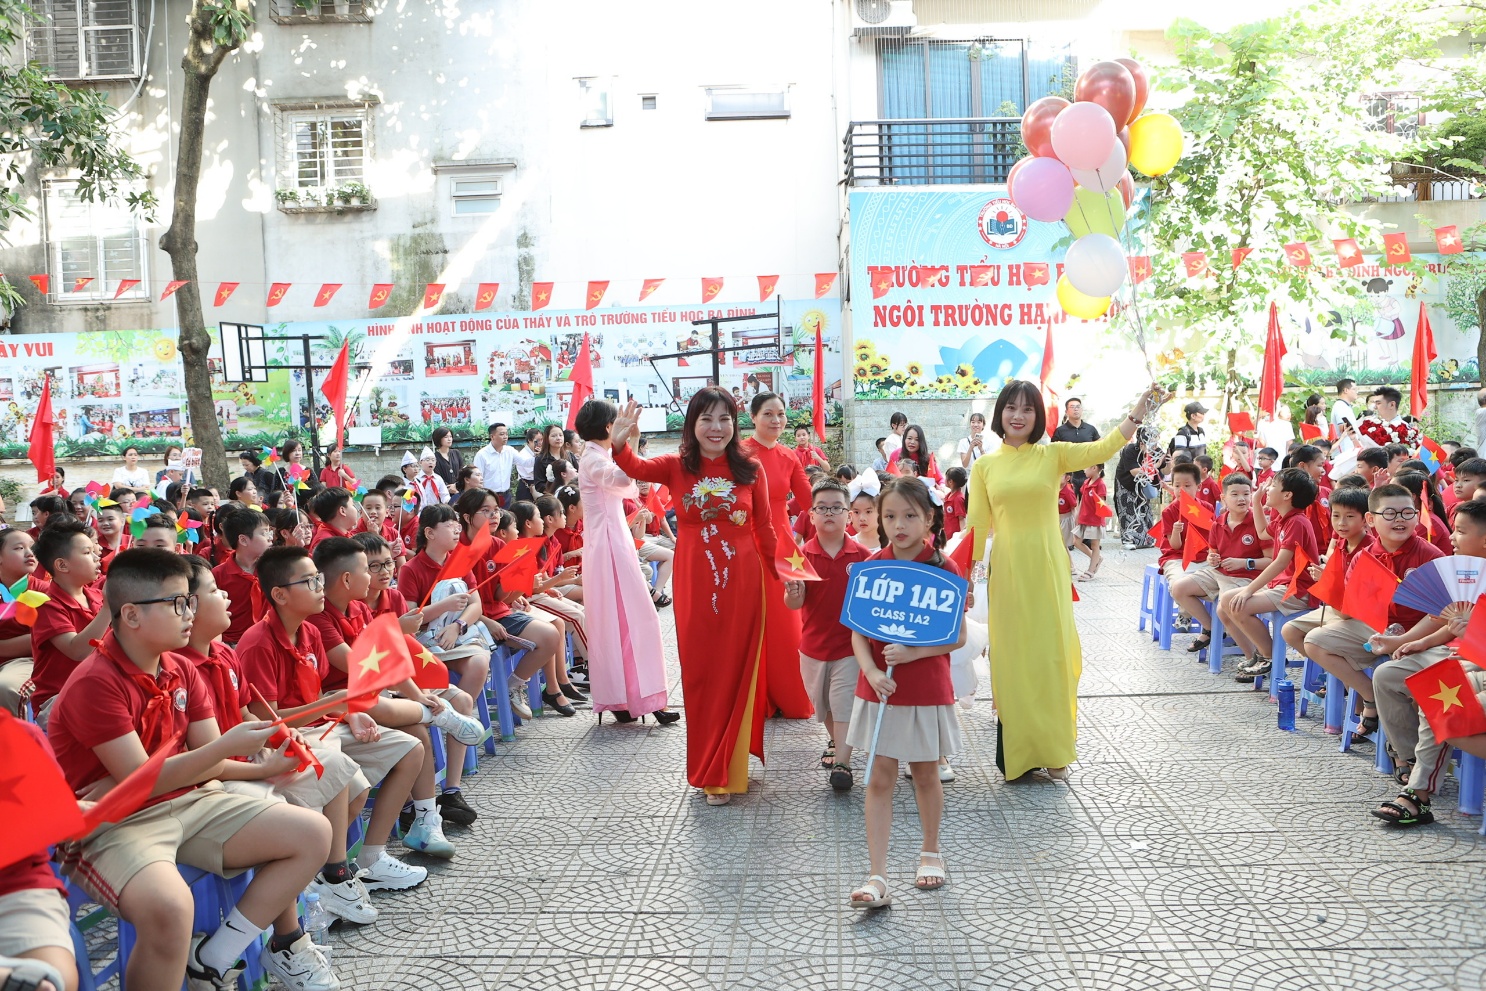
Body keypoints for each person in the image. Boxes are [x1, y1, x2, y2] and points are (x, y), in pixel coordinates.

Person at [47, 548, 336, 991]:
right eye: (178, 603)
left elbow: (208, 759)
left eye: (190, 601)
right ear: (131, 615)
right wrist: (226, 747)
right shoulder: (95, 682)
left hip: (189, 798)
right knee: (170, 907)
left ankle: (213, 958)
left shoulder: (181, 667)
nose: (190, 613)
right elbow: (141, 782)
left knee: (312, 832)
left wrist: (260, 757)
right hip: (112, 819)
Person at [966, 380, 1166, 781]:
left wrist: (1140, 408)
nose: (1018, 415)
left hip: (1047, 566)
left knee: (1052, 656)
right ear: (999, 414)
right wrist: (968, 579)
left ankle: (1054, 749)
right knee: (1012, 658)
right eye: (1011, 408)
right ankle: (1020, 753)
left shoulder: (1053, 455)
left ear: (1038, 416)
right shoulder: (985, 466)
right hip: (1007, 569)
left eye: (1027, 408)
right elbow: (976, 525)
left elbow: (1105, 447)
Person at [610, 390, 778, 805]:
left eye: (724, 419)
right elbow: (632, 465)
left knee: (736, 670)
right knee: (702, 673)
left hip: (743, 584)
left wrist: (785, 576)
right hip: (694, 584)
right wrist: (619, 440)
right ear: (692, 424)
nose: (716, 428)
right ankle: (708, 764)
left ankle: (726, 767)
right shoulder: (676, 466)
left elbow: (765, 529)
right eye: (706, 419)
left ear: (735, 424)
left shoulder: (751, 469)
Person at [239, 546, 444, 875]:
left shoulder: (309, 631)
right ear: (279, 594)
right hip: (288, 737)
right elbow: (270, 723)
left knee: (410, 748)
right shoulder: (259, 643)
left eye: (318, 579)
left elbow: (318, 691)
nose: (320, 587)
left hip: (323, 723)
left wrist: (348, 711)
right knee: (350, 782)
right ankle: (325, 874)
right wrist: (339, 703)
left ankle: (372, 857)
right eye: (310, 581)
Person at [846, 476, 967, 908]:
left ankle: (930, 850)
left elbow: (956, 636)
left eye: (910, 516)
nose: (899, 525)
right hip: (879, 688)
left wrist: (913, 654)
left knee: (924, 772)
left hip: (925, 687)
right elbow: (857, 633)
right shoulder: (872, 565)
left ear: (929, 519)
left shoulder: (944, 567)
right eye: (890, 516)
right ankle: (877, 874)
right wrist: (872, 671)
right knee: (879, 776)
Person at [574, 400, 677, 723]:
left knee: (631, 619)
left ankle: (639, 697)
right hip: (607, 547)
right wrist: (628, 441)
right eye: (616, 423)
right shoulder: (592, 457)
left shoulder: (598, 455)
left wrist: (628, 441)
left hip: (613, 543)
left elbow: (629, 483)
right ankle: (624, 699)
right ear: (608, 428)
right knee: (623, 620)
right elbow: (625, 482)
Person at [784, 477, 872, 791]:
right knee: (824, 706)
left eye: (837, 507)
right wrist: (794, 592)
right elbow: (794, 602)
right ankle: (837, 741)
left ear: (848, 514)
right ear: (810, 514)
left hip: (850, 646)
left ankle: (844, 765)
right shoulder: (799, 556)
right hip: (812, 647)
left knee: (843, 701)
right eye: (822, 508)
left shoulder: (862, 556)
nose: (830, 513)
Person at [742, 393, 815, 721]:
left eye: (781, 414)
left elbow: (810, 500)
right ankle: (757, 699)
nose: (776, 420)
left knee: (787, 622)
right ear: (753, 416)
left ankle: (790, 695)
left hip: (783, 545)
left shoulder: (789, 456)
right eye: (768, 414)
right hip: (746, 542)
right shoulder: (739, 453)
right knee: (753, 621)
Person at [1217, 468, 1320, 682]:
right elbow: (1263, 533)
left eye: (1273, 485)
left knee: (1239, 603)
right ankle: (1269, 655)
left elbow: (1280, 562)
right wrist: (1256, 501)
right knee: (1227, 600)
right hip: (1281, 585)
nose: (1268, 488)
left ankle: (1269, 656)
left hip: (1297, 590)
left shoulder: (1297, 522)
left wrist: (1249, 590)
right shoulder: (1285, 518)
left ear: (1287, 495)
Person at [1170, 473, 1268, 655]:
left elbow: (1271, 562)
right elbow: (1212, 551)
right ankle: (1211, 629)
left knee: (1226, 607)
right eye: (1235, 494)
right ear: (1223, 498)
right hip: (1218, 573)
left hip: (1247, 577)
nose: (1242, 499)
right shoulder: (1218, 523)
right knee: (1179, 588)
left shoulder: (1259, 522)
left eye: (1246, 494)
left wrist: (1244, 563)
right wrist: (1211, 558)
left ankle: (1253, 656)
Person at [28, 519, 109, 727]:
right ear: (62, 565)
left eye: (94, 550)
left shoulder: (97, 596)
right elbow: (77, 650)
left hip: (102, 687)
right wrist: (109, 608)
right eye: (87, 552)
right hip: (60, 696)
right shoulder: (46, 605)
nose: (96, 556)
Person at [1114, 427, 1159, 549]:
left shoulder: (1156, 451)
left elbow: (1165, 469)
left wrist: (1168, 461)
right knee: (1128, 510)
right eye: (1151, 444)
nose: (1154, 447)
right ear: (1141, 444)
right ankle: (1128, 540)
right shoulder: (1130, 450)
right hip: (1126, 483)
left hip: (1142, 485)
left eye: (1155, 443)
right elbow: (1135, 472)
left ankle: (1148, 539)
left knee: (1145, 510)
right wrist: (1155, 466)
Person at [1051, 399, 1100, 497]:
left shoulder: (1090, 429)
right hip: (1068, 477)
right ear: (1066, 411)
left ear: (1082, 410)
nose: (1076, 409)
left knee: (1088, 507)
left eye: (1078, 407)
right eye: (1072, 407)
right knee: (1068, 507)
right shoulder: (1060, 431)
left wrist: (1098, 473)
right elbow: (1053, 453)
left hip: (1087, 475)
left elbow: (1099, 448)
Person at [1069, 461, 1108, 580]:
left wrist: (1099, 519)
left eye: (1086, 467)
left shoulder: (1100, 484)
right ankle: (1096, 559)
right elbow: (1081, 502)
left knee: (1095, 545)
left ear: (1094, 468)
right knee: (1076, 541)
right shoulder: (1086, 482)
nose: (1083, 470)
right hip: (1084, 519)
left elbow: (1101, 504)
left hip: (1095, 520)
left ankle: (1091, 571)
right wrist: (1077, 516)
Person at [1354, 385, 1421, 450]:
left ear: (1392, 405)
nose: (1375, 407)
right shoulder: (1370, 426)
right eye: (1375, 403)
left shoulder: (1407, 431)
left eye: (1378, 403)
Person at [474, 422, 516, 506]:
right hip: (488, 496)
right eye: (501, 434)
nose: (505, 437)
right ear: (492, 436)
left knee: (506, 518)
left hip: (505, 496)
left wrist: (537, 454)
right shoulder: (482, 454)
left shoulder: (510, 451)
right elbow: (477, 478)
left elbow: (525, 462)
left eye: (506, 434)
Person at [533, 423, 578, 497]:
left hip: (571, 496)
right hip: (553, 498)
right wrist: (555, 491)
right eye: (554, 436)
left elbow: (578, 474)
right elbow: (539, 485)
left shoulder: (569, 455)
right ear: (547, 438)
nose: (558, 438)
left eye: (561, 435)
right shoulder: (541, 459)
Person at [430, 426, 463, 490]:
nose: (449, 439)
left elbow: (462, 470)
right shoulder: (434, 457)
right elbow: (436, 475)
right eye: (446, 437)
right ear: (439, 438)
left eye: (450, 436)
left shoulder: (456, 453)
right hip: (444, 491)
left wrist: (457, 485)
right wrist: (448, 487)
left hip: (459, 489)